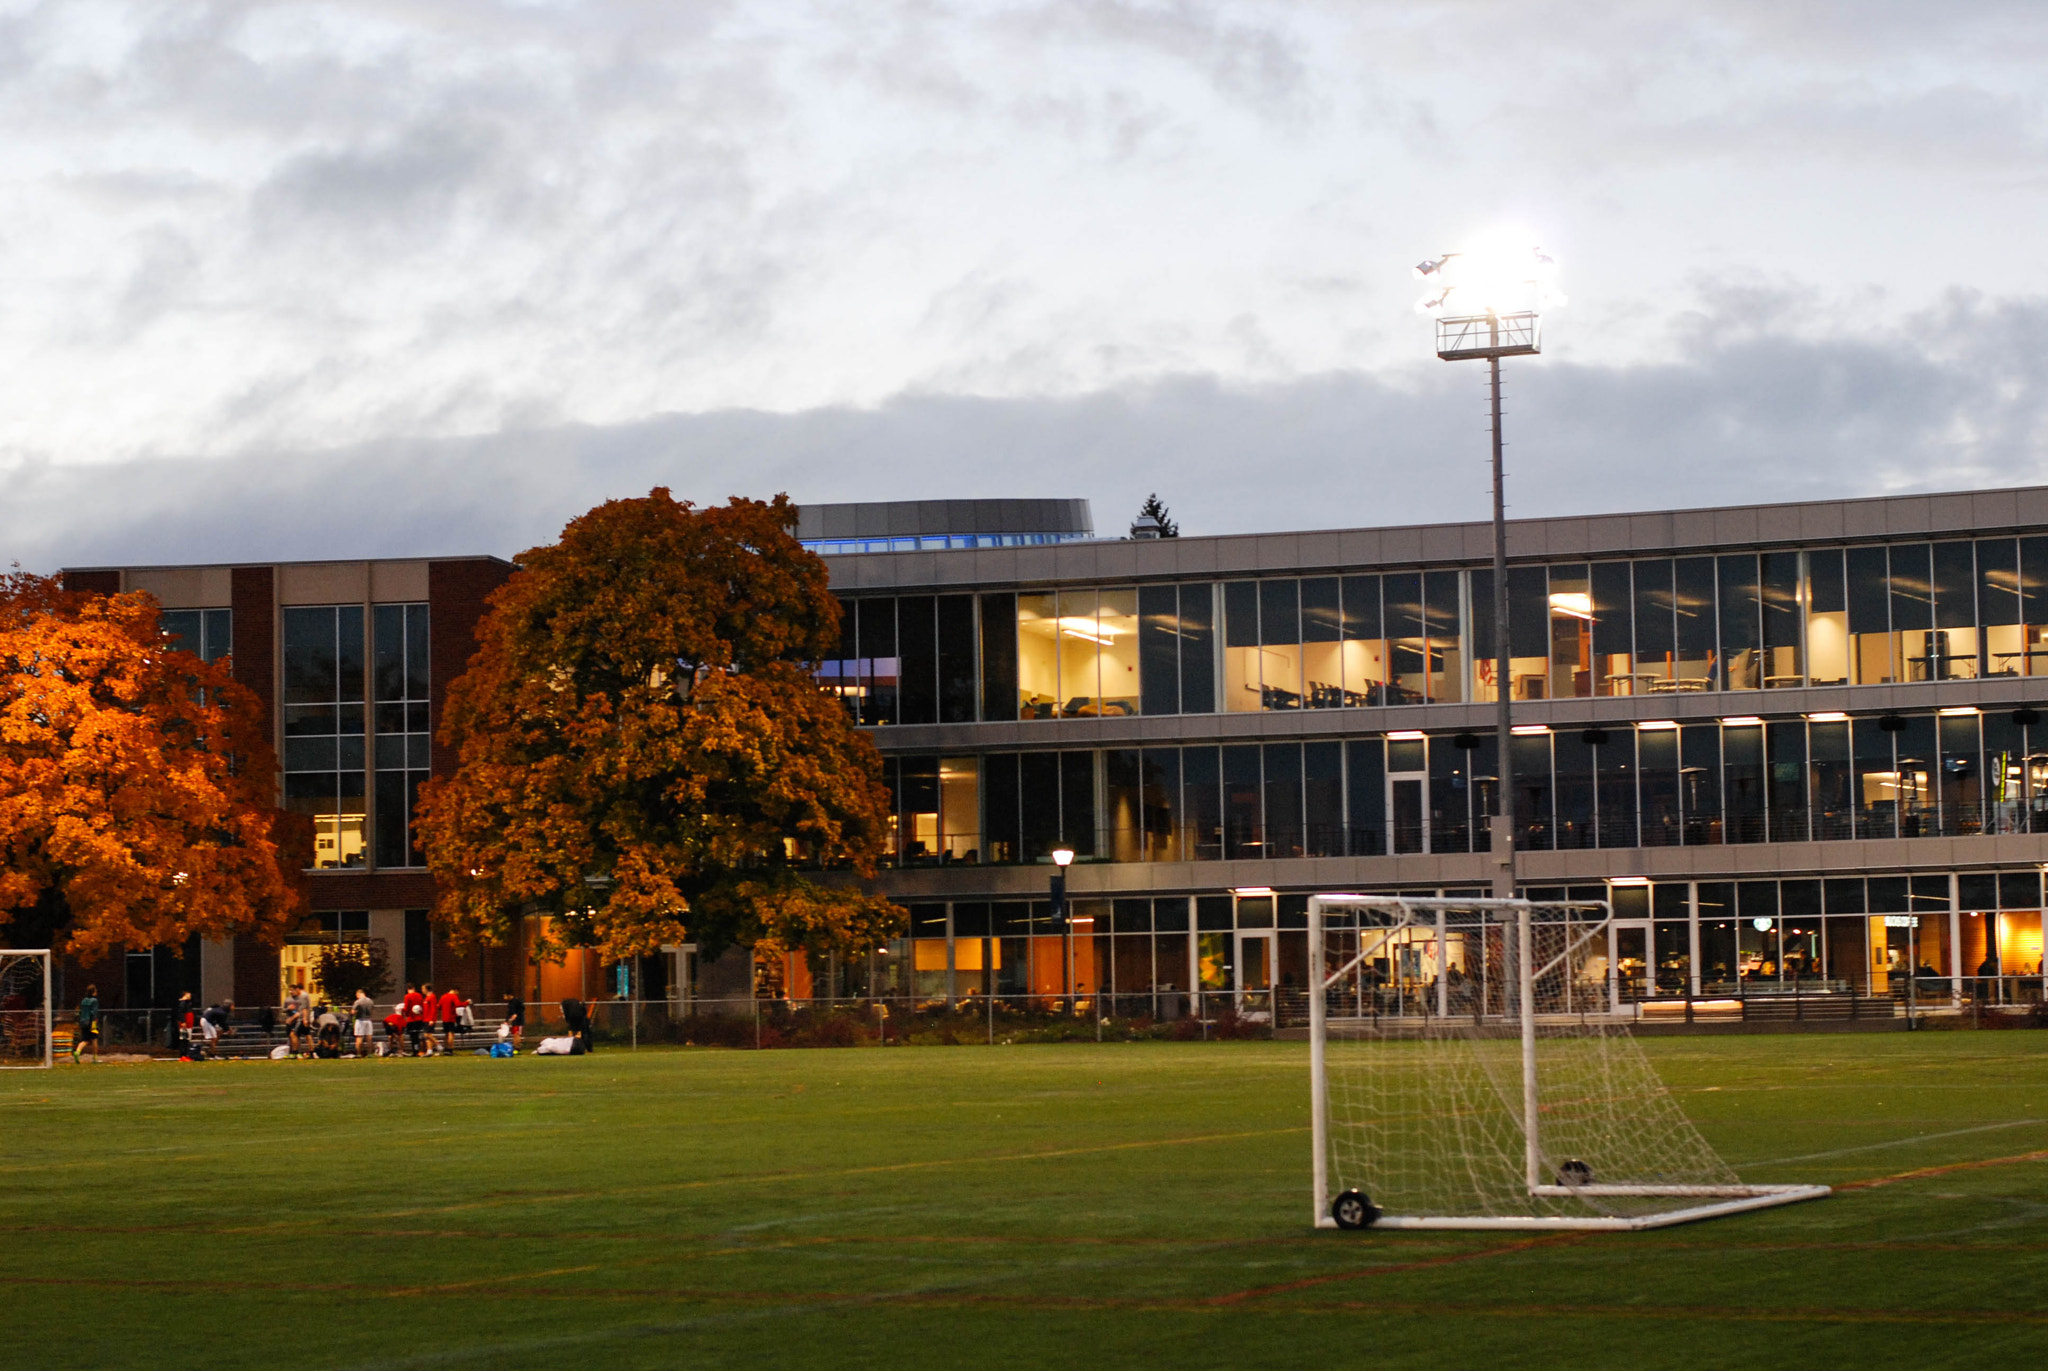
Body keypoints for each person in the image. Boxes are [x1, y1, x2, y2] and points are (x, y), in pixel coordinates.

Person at [71, 985, 100, 1063]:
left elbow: (81, 1011)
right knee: (94, 1039)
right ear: (93, 992)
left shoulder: (84, 1000)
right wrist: (95, 1021)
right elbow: (94, 1012)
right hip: (91, 1022)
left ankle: (77, 1051)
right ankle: (95, 1058)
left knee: (85, 1039)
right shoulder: (94, 1001)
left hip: (83, 1021)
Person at [402, 984, 427, 1056]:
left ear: (407, 989)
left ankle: (415, 1050)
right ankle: (422, 1050)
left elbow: (406, 1008)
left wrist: (404, 1013)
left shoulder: (407, 996)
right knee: (420, 1035)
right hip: (419, 1018)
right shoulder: (419, 995)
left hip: (411, 1019)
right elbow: (422, 1006)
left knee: (413, 1036)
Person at [436, 984, 461, 1055]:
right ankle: (450, 1049)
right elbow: (458, 1004)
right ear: (455, 990)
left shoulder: (443, 996)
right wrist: (466, 1003)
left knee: (446, 1034)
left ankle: (446, 1048)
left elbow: (439, 1006)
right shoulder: (453, 996)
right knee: (451, 1033)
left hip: (444, 1018)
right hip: (451, 1018)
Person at [351, 989, 375, 1057]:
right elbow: (372, 1010)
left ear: (358, 994)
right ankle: (370, 1053)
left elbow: (353, 1012)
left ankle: (358, 1053)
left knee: (359, 1037)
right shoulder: (370, 1001)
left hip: (360, 1020)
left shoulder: (358, 1002)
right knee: (369, 1038)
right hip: (368, 1020)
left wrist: (354, 1013)